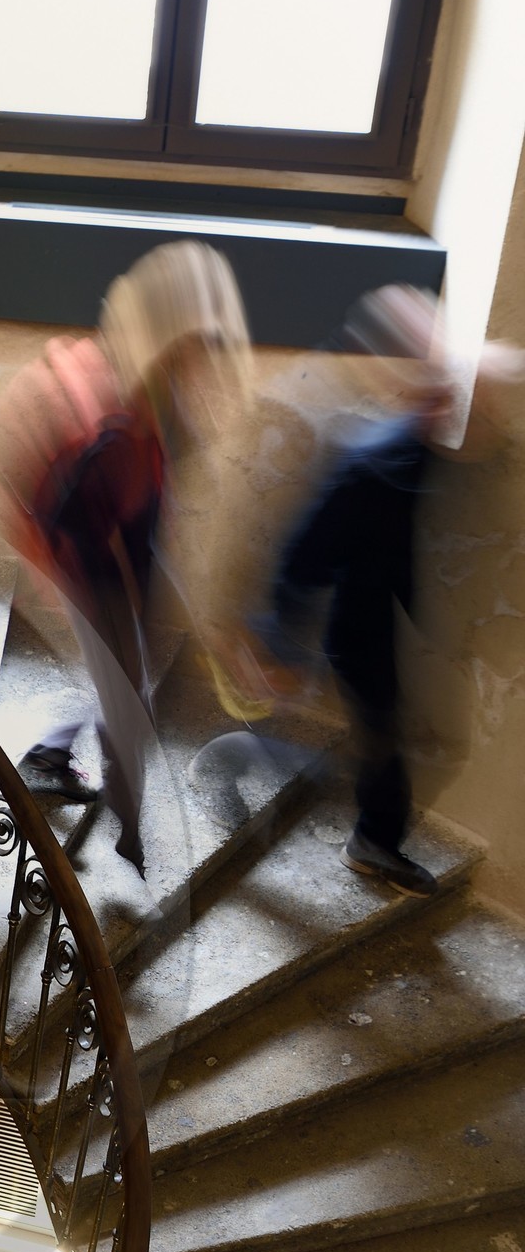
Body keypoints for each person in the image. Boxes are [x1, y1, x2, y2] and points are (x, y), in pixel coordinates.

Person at [0, 242, 251, 877]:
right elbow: (75, 526)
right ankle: (129, 837)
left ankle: (50, 758)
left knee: (126, 685)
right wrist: (95, 598)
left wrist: (165, 604)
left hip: (114, 567)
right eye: (193, 359)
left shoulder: (168, 421)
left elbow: (152, 523)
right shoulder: (116, 437)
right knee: (128, 704)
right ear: (170, 359)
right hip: (88, 573)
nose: (204, 374)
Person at [254, 285, 514, 897]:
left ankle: (364, 829)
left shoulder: (428, 452)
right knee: (379, 734)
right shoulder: (375, 463)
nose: (489, 420)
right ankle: (363, 835)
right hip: (358, 630)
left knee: (382, 732)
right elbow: (306, 552)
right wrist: (279, 642)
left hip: (384, 623)